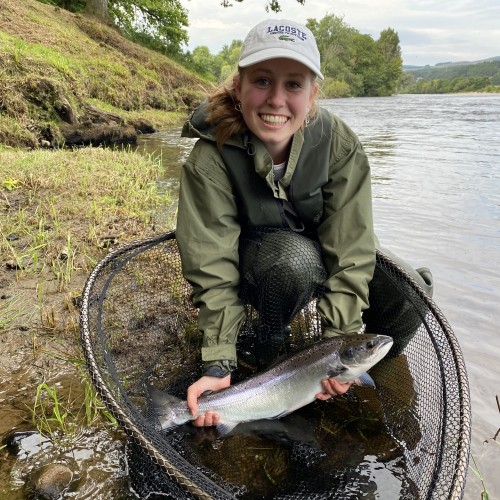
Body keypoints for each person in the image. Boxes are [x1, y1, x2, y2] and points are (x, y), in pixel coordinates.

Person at [175, 19, 432, 428]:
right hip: (259, 266)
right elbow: (211, 265)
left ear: (312, 95)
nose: (276, 99)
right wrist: (219, 361)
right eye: (262, 80)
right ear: (239, 87)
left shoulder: (339, 144)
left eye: (294, 85)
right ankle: (266, 355)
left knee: (414, 292)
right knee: (292, 261)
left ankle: (366, 386)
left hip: (321, 256)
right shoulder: (211, 157)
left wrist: (340, 343)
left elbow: (352, 249)